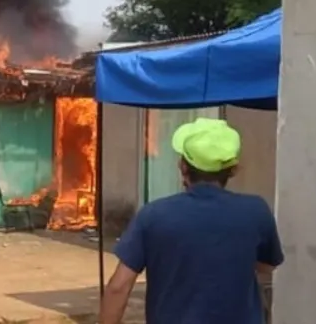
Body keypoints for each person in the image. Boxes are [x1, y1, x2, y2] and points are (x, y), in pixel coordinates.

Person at [100, 117, 284, 324]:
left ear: (182, 167)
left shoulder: (153, 215)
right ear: (233, 170)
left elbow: (119, 287)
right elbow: (267, 267)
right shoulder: (256, 211)